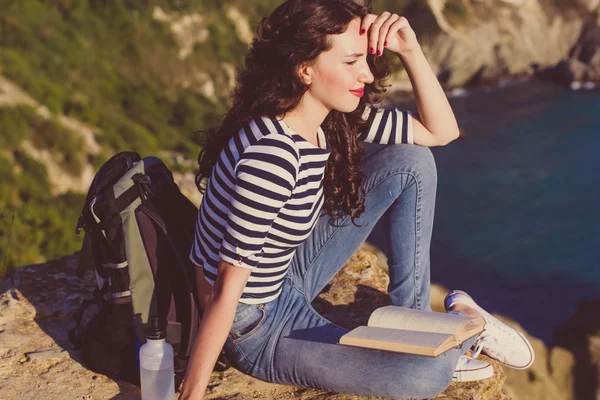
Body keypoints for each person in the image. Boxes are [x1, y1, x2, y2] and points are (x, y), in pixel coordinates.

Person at [180, 1, 534, 399]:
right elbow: (227, 290)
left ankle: (416, 324)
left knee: (411, 160)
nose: (366, 74)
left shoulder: (324, 115)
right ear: (305, 68)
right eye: (351, 62)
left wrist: (411, 49)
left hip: (285, 274)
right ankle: (458, 334)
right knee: (426, 377)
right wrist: (192, 392)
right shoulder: (273, 157)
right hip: (253, 326)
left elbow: (441, 132)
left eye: (364, 59)